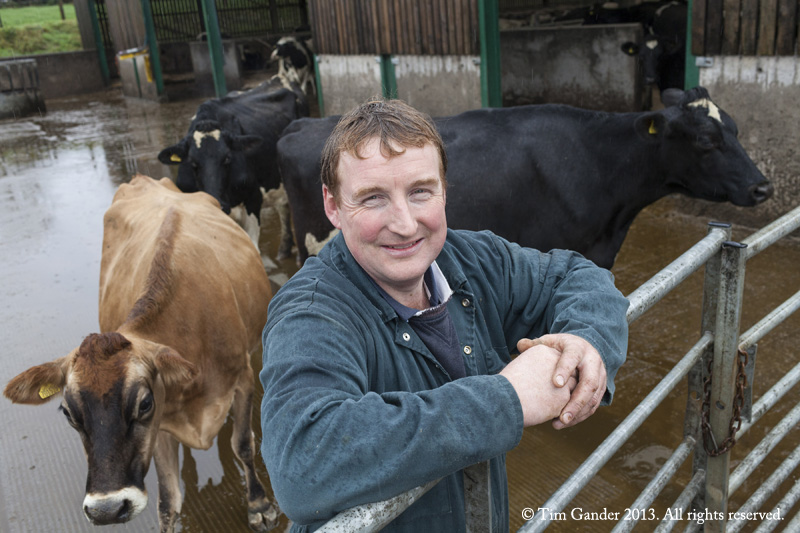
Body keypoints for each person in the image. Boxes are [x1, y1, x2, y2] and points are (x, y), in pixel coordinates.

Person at [259, 98, 629, 532]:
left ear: (445, 190)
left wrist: (586, 341)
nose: (404, 222)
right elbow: (302, 464)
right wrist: (507, 400)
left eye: (420, 191)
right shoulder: (312, 313)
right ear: (332, 206)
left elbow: (576, 275)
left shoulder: (473, 258)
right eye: (373, 198)